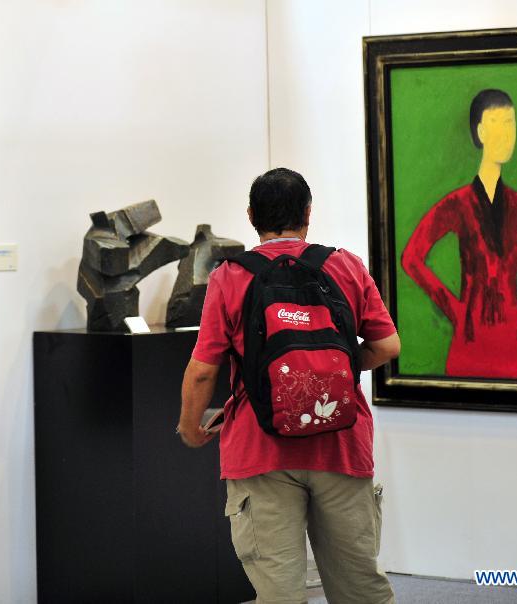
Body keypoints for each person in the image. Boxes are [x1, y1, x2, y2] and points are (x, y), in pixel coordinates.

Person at [178, 168, 400, 603]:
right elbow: (387, 345)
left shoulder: (229, 276)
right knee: (360, 588)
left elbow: (204, 368)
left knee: (279, 592)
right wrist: (333, 376)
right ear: (308, 213)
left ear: (250, 216)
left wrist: (190, 428)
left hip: (260, 452)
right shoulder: (345, 265)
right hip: (341, 446)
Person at [401, 89, 517, 379]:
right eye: (497, 123)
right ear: (481, 131)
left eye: (510, 123)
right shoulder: (456, 205)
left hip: (513, 347)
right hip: (467, 344)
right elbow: (411, 258)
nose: (506, 134)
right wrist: (456, 311)